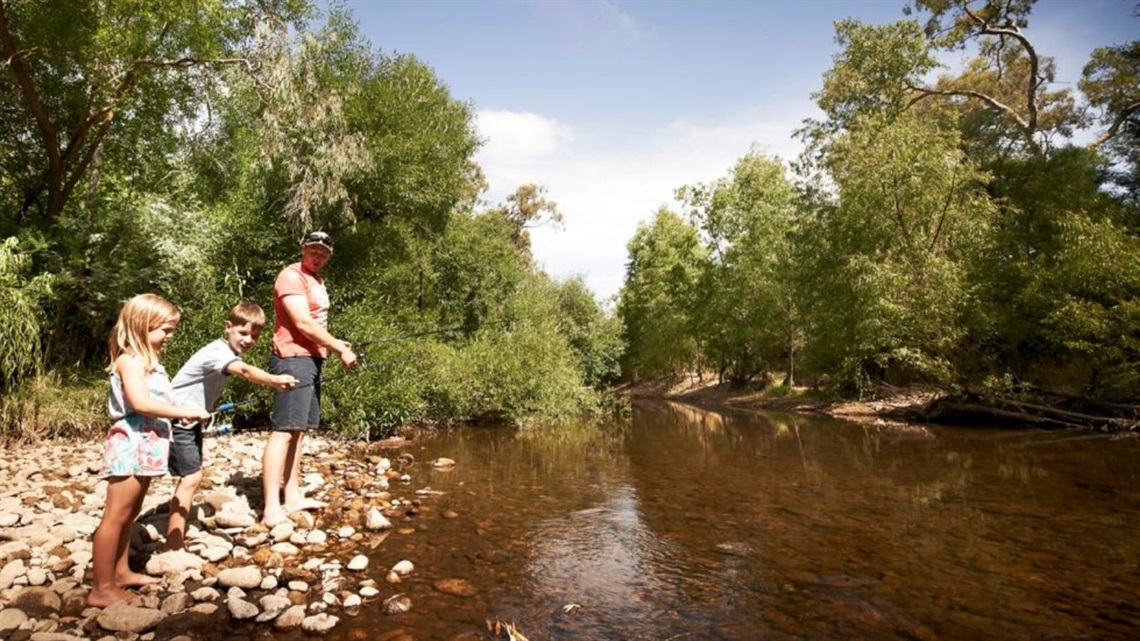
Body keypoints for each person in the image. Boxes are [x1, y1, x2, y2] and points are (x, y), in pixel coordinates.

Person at [89, 294, 212, 607]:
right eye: (164, 330)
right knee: (115, 517)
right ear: (141, 327)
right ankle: (101, 588)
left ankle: (121, 572)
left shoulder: (151, 364)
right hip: (130, 446)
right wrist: (185, 413)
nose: (169, 336)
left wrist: (183, 410)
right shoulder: (129, 361)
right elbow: (140, 403)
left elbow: (160, 402)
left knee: (129, 515)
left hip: (148, 447)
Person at [164, 302, 298, 551]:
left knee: (188, 476)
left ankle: (173, 531)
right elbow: (244, 371)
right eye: (243, 333)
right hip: (177, 419)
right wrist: (274, 380)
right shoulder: (218, 352)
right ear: (228, 327)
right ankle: (173, 545)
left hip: (188, 419)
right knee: (191, 477)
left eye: (255, 336)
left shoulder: (225, 352)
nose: (249, 340)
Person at [261, 231, 357, 527]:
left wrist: (332, 343)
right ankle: (270, 508)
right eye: (313, 250)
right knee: (284, 430)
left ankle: (292, 495)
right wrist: (339, 347)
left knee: (299, 430)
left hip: (312, 358)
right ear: (303, 249)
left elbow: (314, 323)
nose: (318, 256)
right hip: (293, 358)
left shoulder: (318, 281)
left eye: (324, 253)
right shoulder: (291, 276)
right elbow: (302, 322)